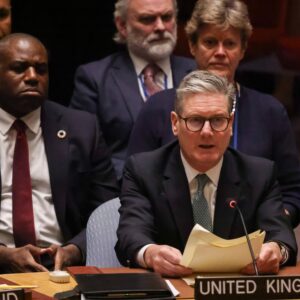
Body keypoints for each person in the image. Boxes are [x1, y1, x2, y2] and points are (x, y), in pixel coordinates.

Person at [127, 0, 300, 227]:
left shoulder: (270, 112)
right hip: (172, 245)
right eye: (210, 42)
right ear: (192, 46)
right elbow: (135, 184)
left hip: (251, 247)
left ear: (243, 50)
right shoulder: (159, 107)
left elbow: (293, 190)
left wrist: (273, 227)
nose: (220, 52)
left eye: (229, 43)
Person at [116, 70, 297, 278]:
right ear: (175, 123)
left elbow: (282, 235)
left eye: (218, 120)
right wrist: (150, 253)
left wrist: (276, 251)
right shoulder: (144, 171)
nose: (207, 132)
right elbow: (131, 234)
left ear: (230, 124)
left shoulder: (259, 174)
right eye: (195, 120)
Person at [0, 33, 120, 273]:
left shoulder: (82, 129)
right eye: (19, 68)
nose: (33, 77)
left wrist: (76, 249)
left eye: (41, 69)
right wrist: (3, 255)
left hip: (64, 268)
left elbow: (110, 210)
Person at [69, 0, 196, 179]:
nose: (160, 26)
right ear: (122, 25)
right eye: (147, 19)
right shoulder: (94, 79)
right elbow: (85, 152)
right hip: (121, 194)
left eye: (166, 17)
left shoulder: (198, 74)